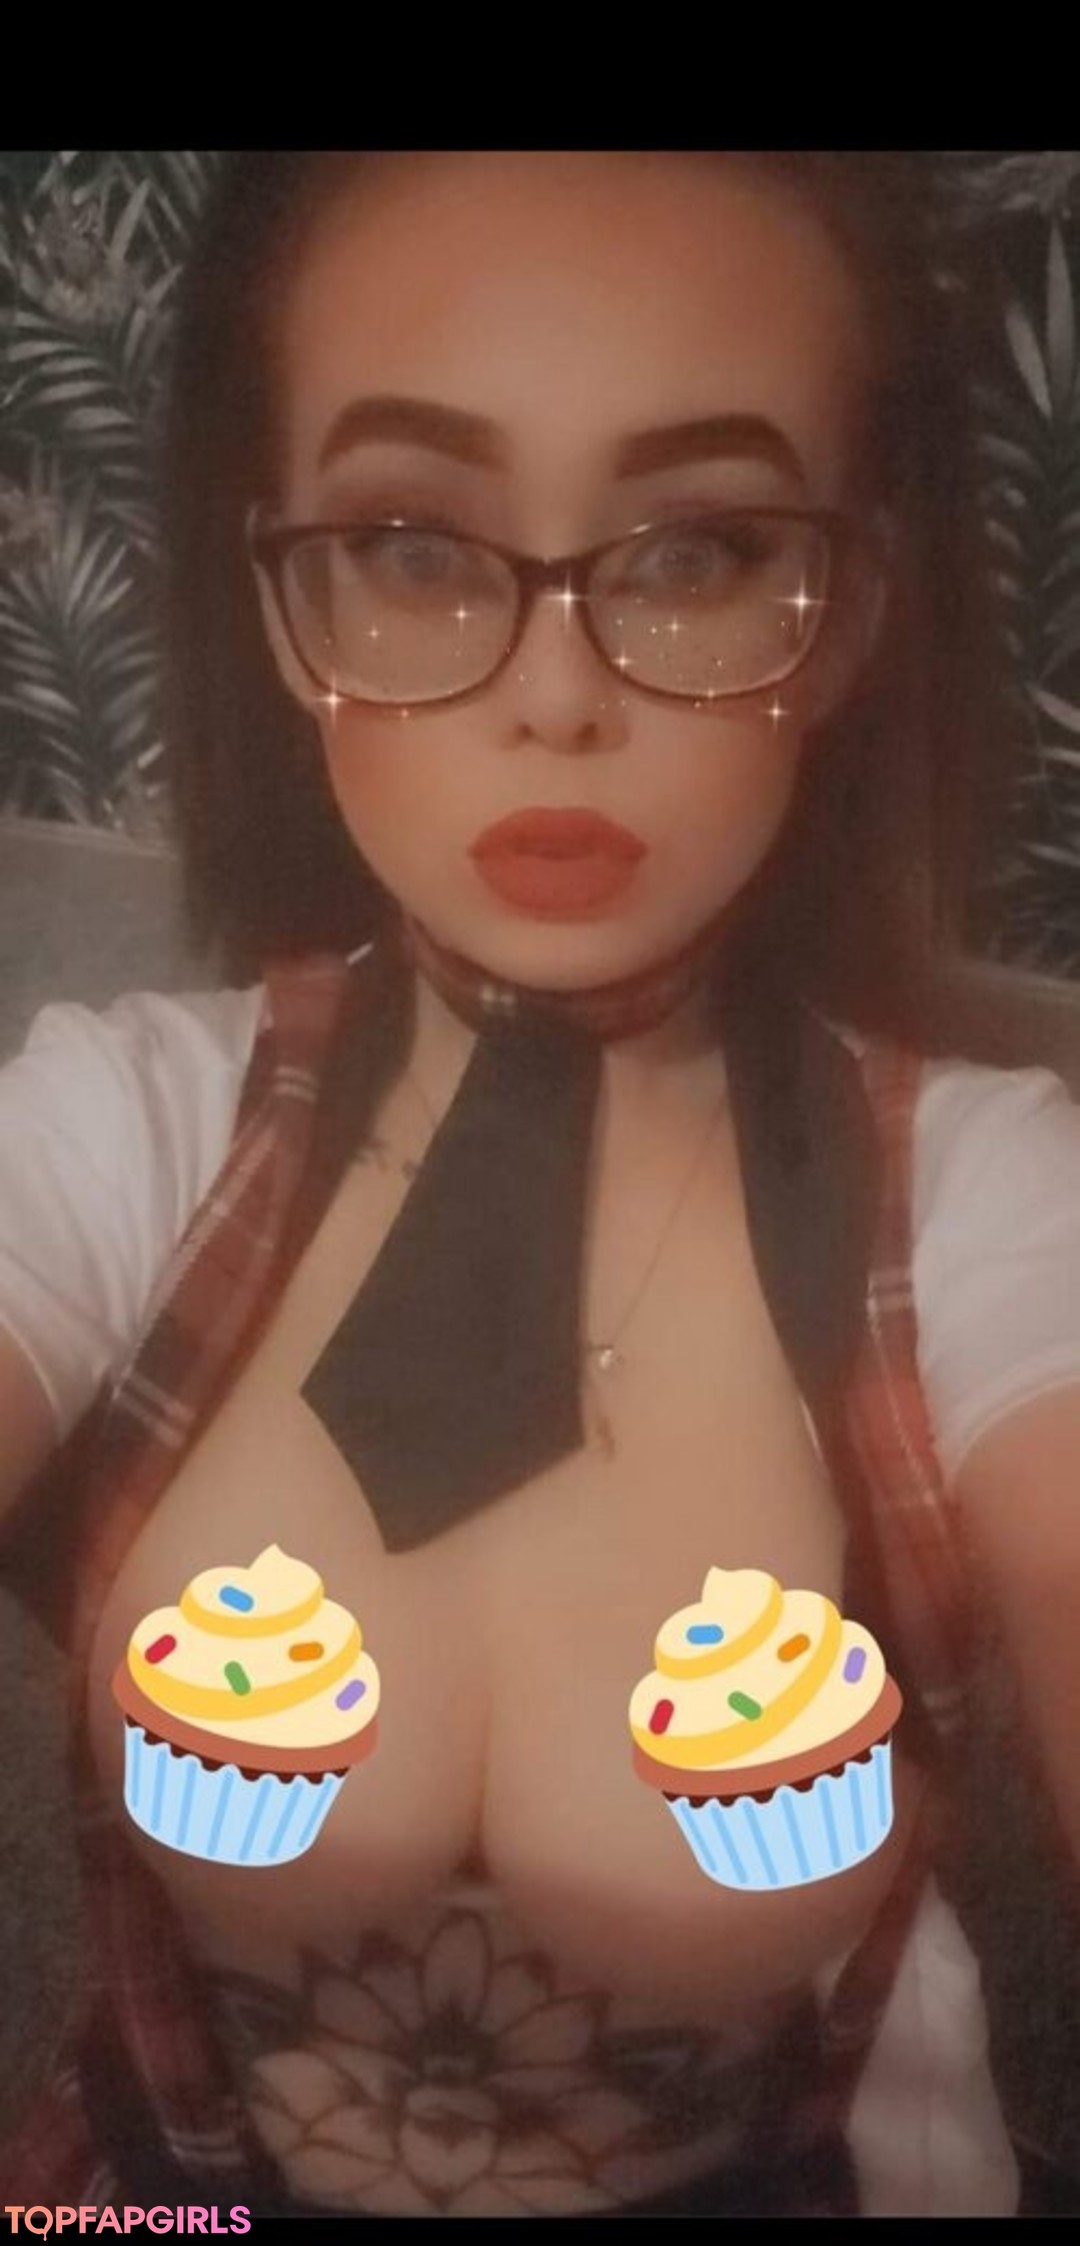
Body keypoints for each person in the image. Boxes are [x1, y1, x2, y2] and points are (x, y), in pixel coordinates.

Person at [1, 148, 1079, 2218]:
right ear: (283, 601)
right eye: (412, 544)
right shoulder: (120, 1130)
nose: (556, 692)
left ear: (848, 612)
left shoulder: (981, 1200)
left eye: (698, 550)